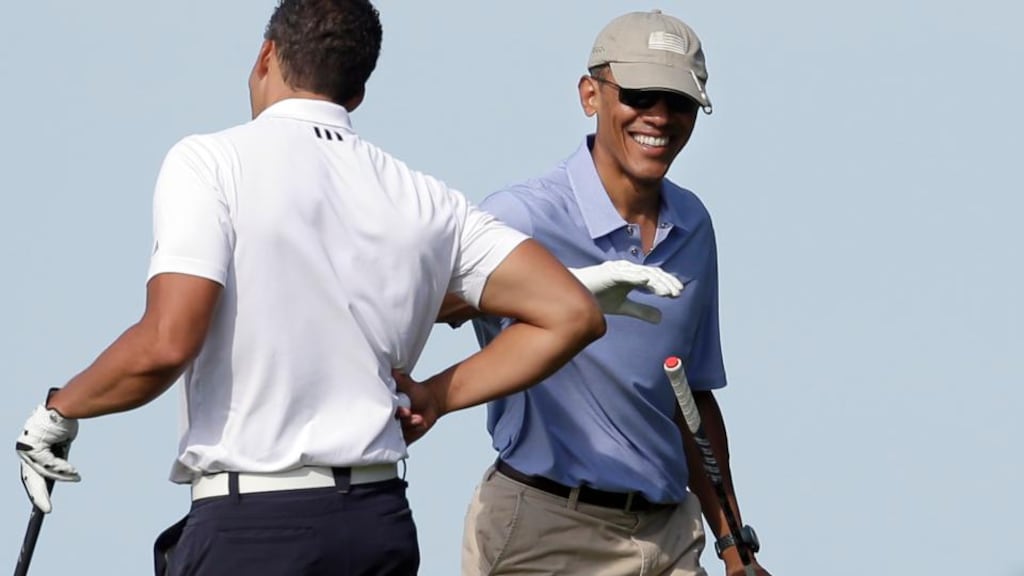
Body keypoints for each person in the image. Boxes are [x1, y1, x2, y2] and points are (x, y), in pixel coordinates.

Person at [14, 2, 682, 575]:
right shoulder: (425, 198)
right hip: (376, 526)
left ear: (265, 56)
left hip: (253, 528)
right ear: (355, 94)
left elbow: (166, 343)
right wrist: (437, 397)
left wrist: (59, 411)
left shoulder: (210, 162)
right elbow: (571, 313)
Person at [441, 10, 773, 576]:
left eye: (679, 102)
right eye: (641, 95)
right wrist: (563, 291)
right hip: (546, 529)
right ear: (590, 94)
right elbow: (433, 303)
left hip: (670, 535)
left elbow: (689, 400)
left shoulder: (693, 225)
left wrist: (734, 547)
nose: (659, 117)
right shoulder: (523, 214)